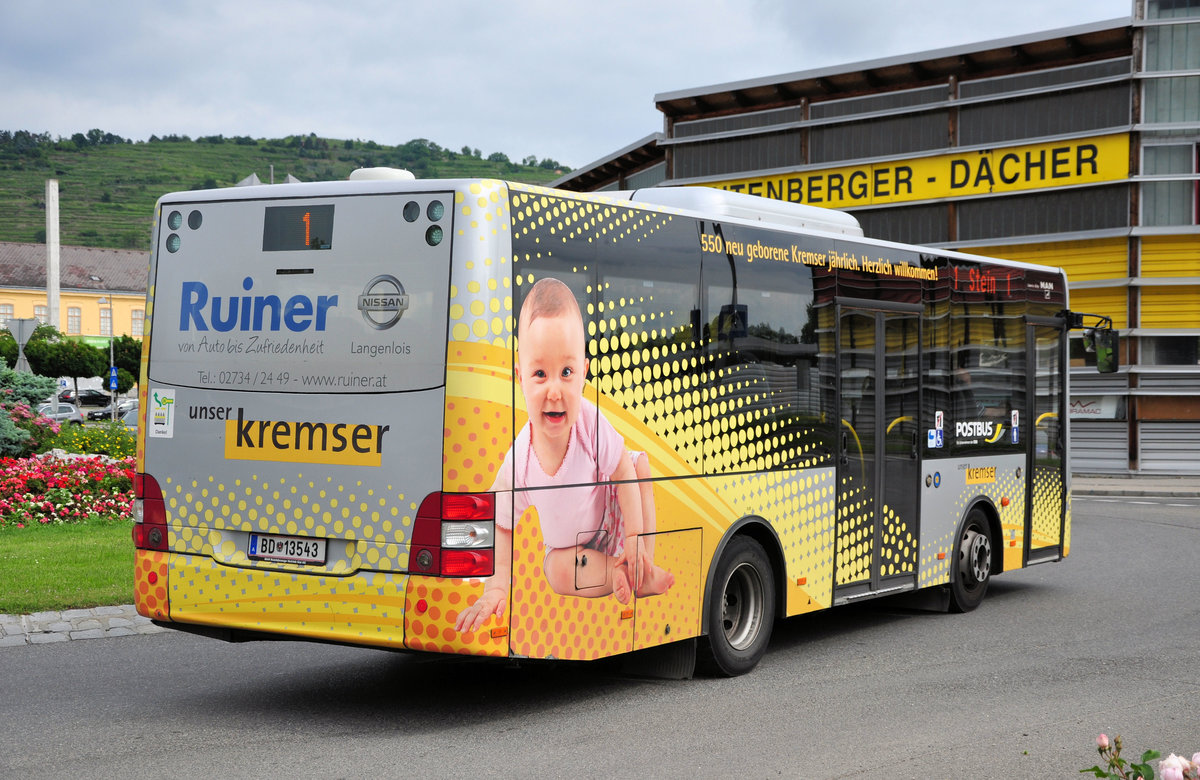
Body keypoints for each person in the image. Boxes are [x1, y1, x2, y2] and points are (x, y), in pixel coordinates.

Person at [454, 278, 674, 634]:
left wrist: (634, 537)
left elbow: (620, 471)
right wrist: (495, 586)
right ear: (520, 378)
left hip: (612, 512)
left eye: (566, 373)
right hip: (570, 549)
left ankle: (640, 566)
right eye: (540, 374)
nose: (554, 390)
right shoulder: (520, 460)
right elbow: (498, 520)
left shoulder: (589, 422)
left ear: (583, 375)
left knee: (638, 465)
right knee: (556, 571)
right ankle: (618, 574)